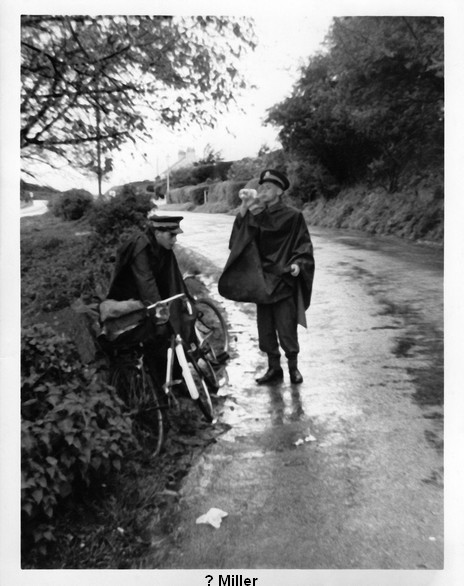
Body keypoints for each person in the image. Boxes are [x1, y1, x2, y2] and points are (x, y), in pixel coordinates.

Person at [218, 169, 315, 385]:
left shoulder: (293, 216)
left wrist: (298, 264)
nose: (264, 190)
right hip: (262, 281)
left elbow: (304, 245)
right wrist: (244, 206)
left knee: (286, 327)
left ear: (279, 191)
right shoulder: (256, 215)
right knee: (266, 329)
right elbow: (238, 240)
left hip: (284, 279)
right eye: (262, 187)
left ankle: (293, 368)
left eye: (269, 187)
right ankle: (274, 368)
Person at [103, 214, 191, 386]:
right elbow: (146, 281)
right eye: (171, 235)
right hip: (129, 297)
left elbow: (170, 277)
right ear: (158, 233)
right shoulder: (141, 245)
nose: (175, 240)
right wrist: (160, 311)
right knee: (158, 331)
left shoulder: (163, 247)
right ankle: (160, 382)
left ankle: (177, 376)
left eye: (176, 236)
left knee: (174, 324)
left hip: (148, 294)